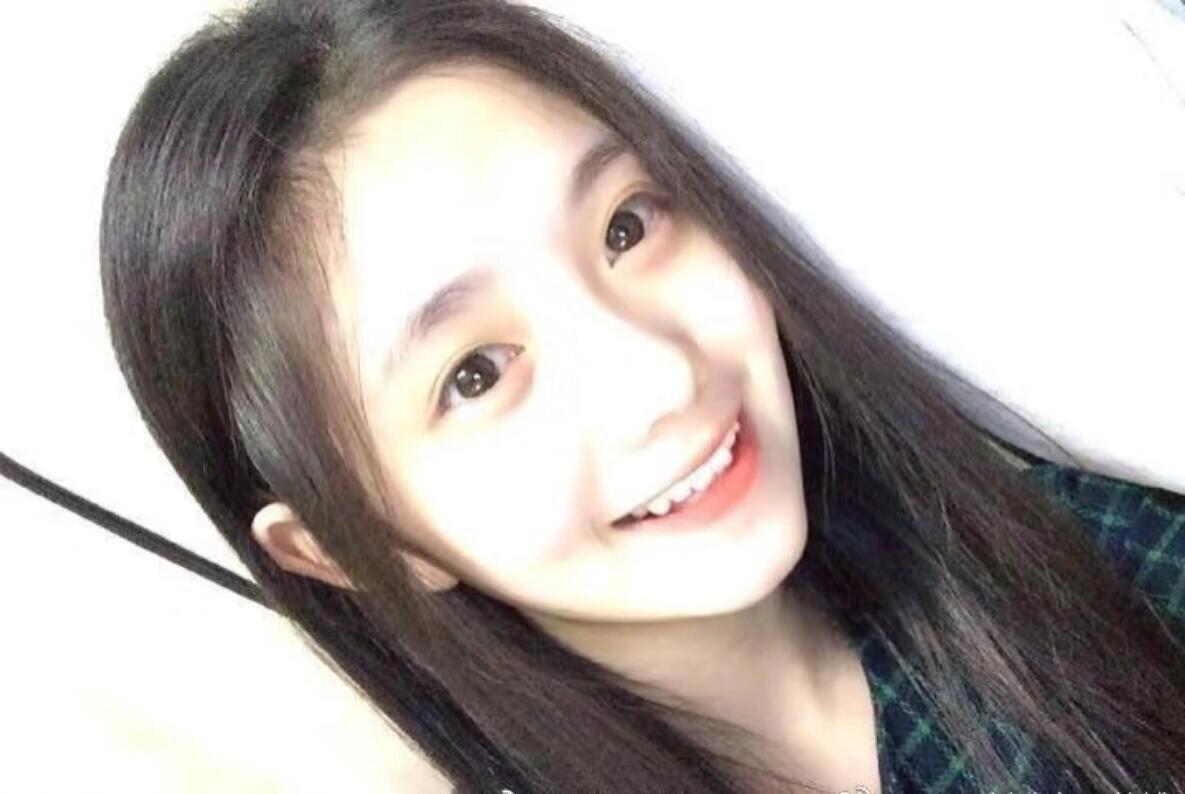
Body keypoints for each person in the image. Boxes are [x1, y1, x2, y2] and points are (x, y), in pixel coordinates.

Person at [98, 1, 1185, 791]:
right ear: (347, 546)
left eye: (627, 226)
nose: (659, 374)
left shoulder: (1087, 564)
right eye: (475, 373)